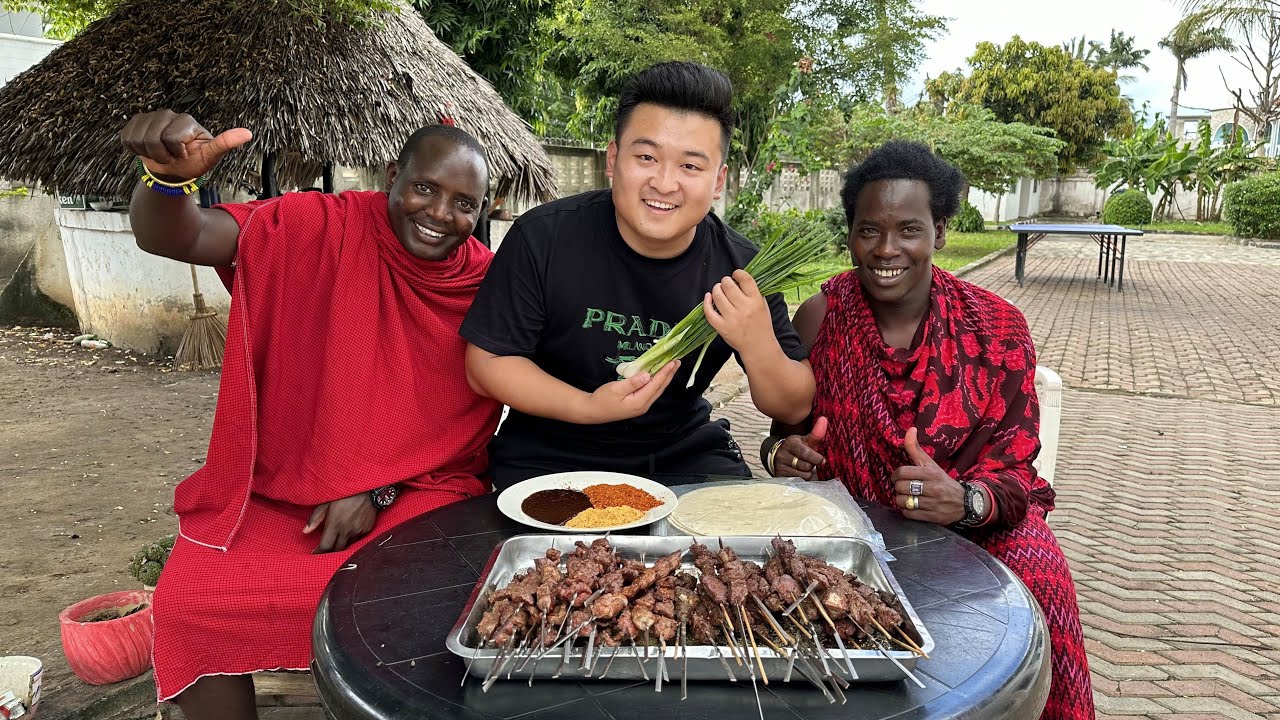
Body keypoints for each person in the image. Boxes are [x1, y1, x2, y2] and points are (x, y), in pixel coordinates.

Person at [120, 110, 502, 720]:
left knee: (425, 605)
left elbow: (464, 424)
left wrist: (376, 488)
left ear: (483, 210)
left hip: (420, 488)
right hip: (288, 486)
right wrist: (167, 182)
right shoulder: (316, 226)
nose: (438, 213)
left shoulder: (486, 284)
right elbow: (180, 236)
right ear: (391, 176)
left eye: (463, 202)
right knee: (192, 602)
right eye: (425, 188)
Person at [764, 141, 1093, 720]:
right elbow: (783, 435)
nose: (887, 249)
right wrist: (783, 456)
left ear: (940, 231)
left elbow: (1018, 473)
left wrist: (963, 499)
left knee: (1042, 568)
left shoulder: (995, 326)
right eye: (869, 230)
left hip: (975, 529)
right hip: (847, 532)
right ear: (851, 235)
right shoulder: (819, 317)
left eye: (909, 229)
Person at [461, 62, 813, 488]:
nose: (664, 183)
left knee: (731, 550)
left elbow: (793, 405)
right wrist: (588, 406)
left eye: (690, 167)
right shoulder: (544, 237)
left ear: (718, 181)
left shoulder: (742, 269)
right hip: (549, 451)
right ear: (613, 159)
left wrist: (758, 343)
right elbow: (485, 365)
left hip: (681, 452)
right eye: (646, 157)